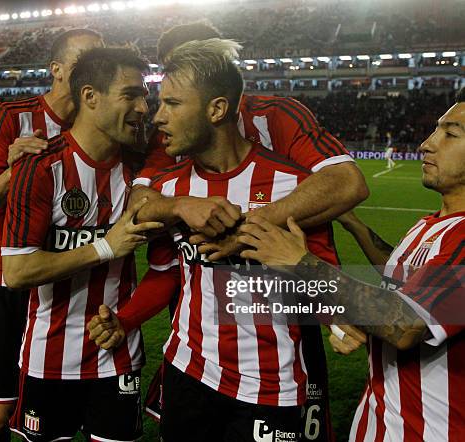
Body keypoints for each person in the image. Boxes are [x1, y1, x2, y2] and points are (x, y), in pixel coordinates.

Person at [88, 39, 342, 442]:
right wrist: (125, 319)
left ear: (217, 109)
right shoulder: (171, 189)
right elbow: (165, 273)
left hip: (270, 388)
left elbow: (329, 289)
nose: (158, 118)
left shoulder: (292, 188)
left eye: (172, 104)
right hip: (186, 372)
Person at [237, 87, 465, 441]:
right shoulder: (432, 224)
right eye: (435, 129)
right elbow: (402, 278)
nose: (427, 143)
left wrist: (300, 262)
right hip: (381, 421)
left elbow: (405, 325)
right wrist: (354, 224)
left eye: (450, 134)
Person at [1, 47, 163, 442]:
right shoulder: (41, 168)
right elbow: (17, 271)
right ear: (90, 96)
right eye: (130, 95)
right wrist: (105, 248)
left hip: (118, 352)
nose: (144, 107)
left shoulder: (142, 170)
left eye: (145, 96)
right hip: (48, 357)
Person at [0, 29, 103, 442]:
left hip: (66, 284)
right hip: (6, 279)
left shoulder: (98, 125)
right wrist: (14, 168)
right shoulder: (11, 115)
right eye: (83, 59)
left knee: (56, 417)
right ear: (56, 69)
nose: (94, 66)